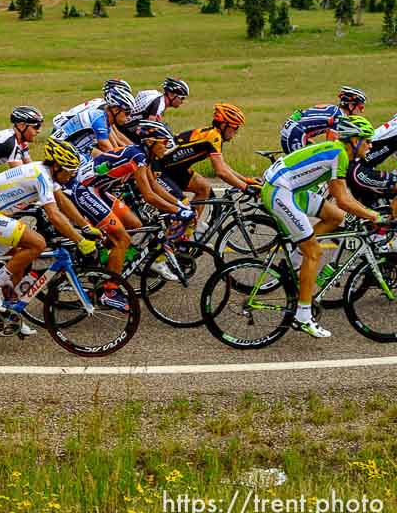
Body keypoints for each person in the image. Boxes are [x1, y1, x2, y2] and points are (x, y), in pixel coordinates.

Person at [259, 115, 389, 338]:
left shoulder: (339, 152)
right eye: (366, 140)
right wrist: (374, 216)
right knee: (314, 253)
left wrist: (364, 213)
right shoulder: (339, 154)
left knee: (335, 217)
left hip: (290, 189)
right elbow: (343, 199)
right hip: (279, 192)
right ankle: (302, 316)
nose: (370, 144)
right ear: (353, 140)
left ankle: (296, 251)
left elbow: (342, 199)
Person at [0, 139, 104, 334]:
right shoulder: (42, 177)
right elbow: (54, 215)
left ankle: (8, 313)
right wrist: (80, 240)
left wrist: (86, 227)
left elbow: (63, 202)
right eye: (69, 170)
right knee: (38, 244)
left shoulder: (48, 173)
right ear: (56, 166)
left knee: (19, 264)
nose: (72, 175)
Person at [65, 120, 190, 280]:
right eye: (164, 142)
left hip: (97, 189)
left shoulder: (144, 156)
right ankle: (110, 289)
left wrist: (179, 204)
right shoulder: (138, 157)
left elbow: (154, 186)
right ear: (151, 142)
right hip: (83, 189)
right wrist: (178, 211)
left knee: (135, 224)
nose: (166, 147)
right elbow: (149, 196)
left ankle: (103, 255)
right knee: (122, 238)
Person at [155, 103, 261, 211]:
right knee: (184, 209)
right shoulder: (213, 137)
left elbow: (223, 166)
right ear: (224, 125)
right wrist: (246, 188)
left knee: (204, 188)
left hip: (175, 169)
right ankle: (183, 226)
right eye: (235, 127)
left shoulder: (213, 135)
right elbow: (221, 172)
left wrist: (246, 180)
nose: (236, 132)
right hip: (160, 170)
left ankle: (191, 226)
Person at [52, 80, 135, 156]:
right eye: (127, 113)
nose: (129, 117)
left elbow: (115, 141)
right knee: (106, 163)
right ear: (116, 109)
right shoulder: (100, 115)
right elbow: (107, 147)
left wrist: (133, 150)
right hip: (60, 137)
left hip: (70, 140)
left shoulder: (105, 112)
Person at [280, 86, 369, 153]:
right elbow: (331, 145)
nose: (362, 110)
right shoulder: (340, 118)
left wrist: (306, 137)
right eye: (361, 107)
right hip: (296, 133)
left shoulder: (331, 107)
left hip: (292, 129)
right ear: (351, 105)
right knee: (304, 169)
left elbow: (299, 113)